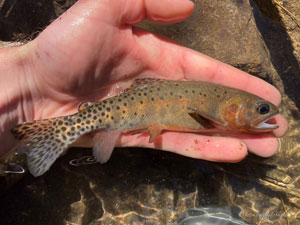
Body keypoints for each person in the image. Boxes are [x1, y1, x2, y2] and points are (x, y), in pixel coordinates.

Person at [0, 0, 287, 163]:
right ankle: (56, 132)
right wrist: (29, 78)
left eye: (262, 111)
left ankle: (51, 133)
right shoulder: (218, 110)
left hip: (120, 112)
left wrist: (26, 82)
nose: (266, 113)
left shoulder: (220, 109)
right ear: (233, 108)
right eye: (262, 109)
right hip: (117, 112)